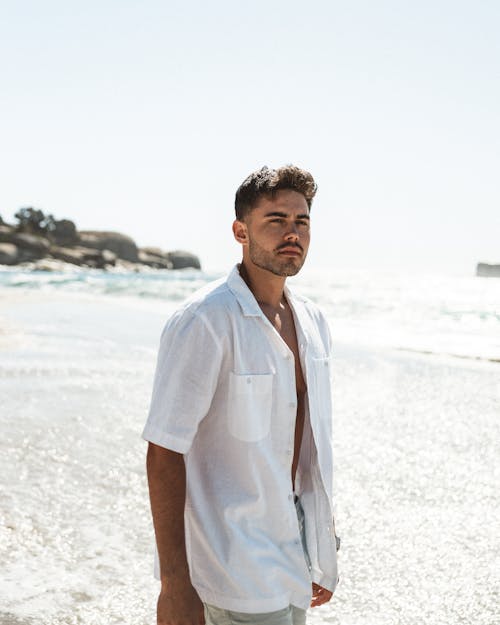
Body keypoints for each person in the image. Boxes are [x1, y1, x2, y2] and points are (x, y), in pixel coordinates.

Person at [143, 165, 339, 625]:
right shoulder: (205, 321)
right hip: (229, 567)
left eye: (302, 221)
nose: (292, 233)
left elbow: (308, 453)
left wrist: (322, 549)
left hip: (292, 557)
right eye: (276, 220)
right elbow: (163, 451)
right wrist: (175, 586)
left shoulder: (314, 324)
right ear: (240, 230)